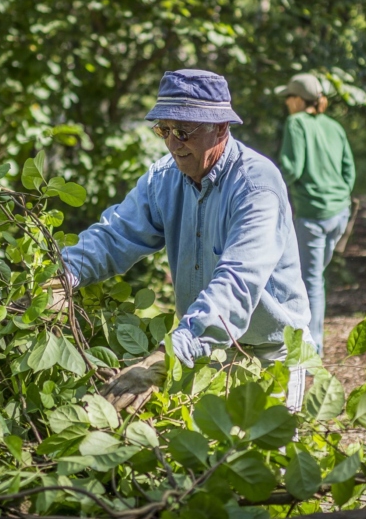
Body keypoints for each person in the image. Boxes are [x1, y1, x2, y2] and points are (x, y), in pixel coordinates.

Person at [57, 69, 312, 411]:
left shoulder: (256, 186)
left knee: (269, 461)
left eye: (184, 131)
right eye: (164, 130)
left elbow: (237, 283)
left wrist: (167, 356)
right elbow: (115, 234)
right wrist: (63, 275)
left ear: (221, 128)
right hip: (206, 352)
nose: (173, 144)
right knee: (202, 461)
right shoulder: (164, 178)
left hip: (270, 355)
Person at [276, 73, 355, 355]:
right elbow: (349, 170)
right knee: (316, 278)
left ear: (298, 100)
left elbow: (292, 168)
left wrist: (268, 189)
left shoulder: (296, 123)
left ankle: (314, 348)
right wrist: (338, 195)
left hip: (313, 215)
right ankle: (312, 340)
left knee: (310, 282)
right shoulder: (334, 126)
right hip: (339, 213)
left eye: (288, 97)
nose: (286, 103)